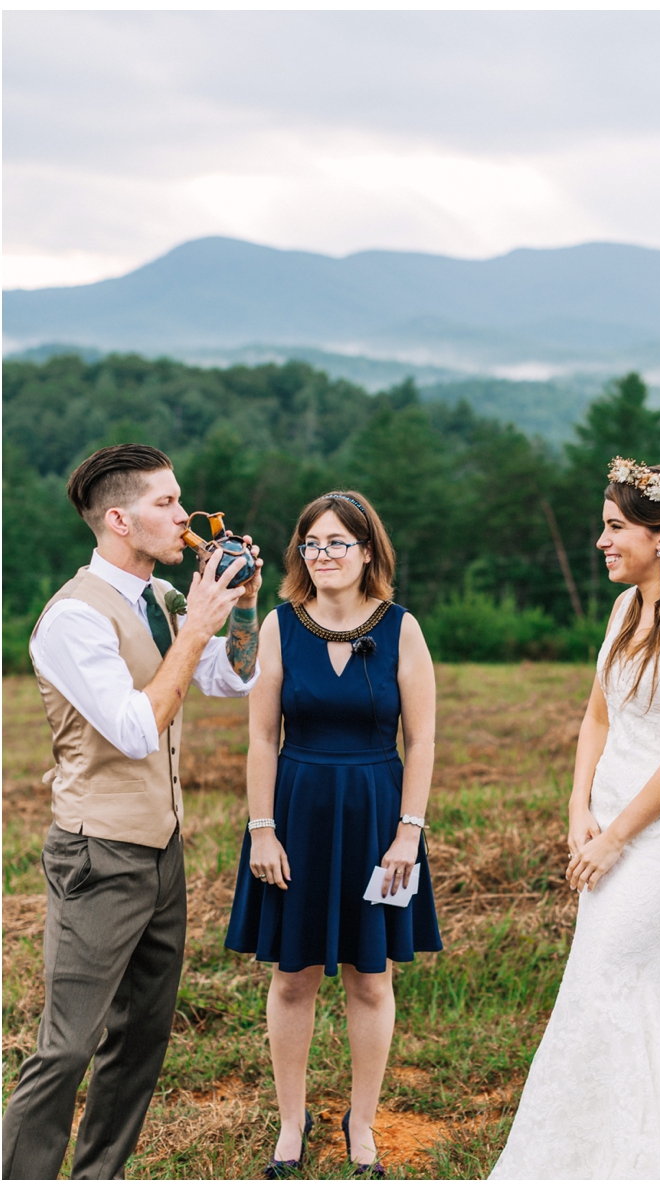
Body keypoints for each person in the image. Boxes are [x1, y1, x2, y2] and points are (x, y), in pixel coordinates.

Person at [2, 443, 262, 1180]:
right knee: (67, 1047)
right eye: (167, 503)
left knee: (141, 1040)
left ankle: (99, 1178)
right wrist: (195, 627)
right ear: (119, 519)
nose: (186, 518)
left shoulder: (168, 600)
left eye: (183, 502)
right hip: (97, 855)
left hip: (162, 849)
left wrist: (237, 610)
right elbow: (137, 727)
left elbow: (233, 679)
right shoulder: (72, 619)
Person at [490, 458, 660, 1180]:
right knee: (631, 983)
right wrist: (579, 808)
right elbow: (597, 716)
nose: (600, 540)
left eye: (614, 526)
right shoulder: (625, 608)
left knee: (605, 979)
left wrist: (619, 835)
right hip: (605, 825)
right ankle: (640, 1147)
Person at [225, 490, 442, 1178]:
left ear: (367, 551)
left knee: (369, 978)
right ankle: (293, 1122)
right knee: (293, 977)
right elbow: (261, 736)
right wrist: (262, 830)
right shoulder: (279, 625)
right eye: (311, 543)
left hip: (380, 819)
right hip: (296, 813)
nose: (322, 555)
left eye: (337, 543)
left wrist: (409, 832)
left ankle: (363, 1123)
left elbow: (424, 735)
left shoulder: (401, 627)